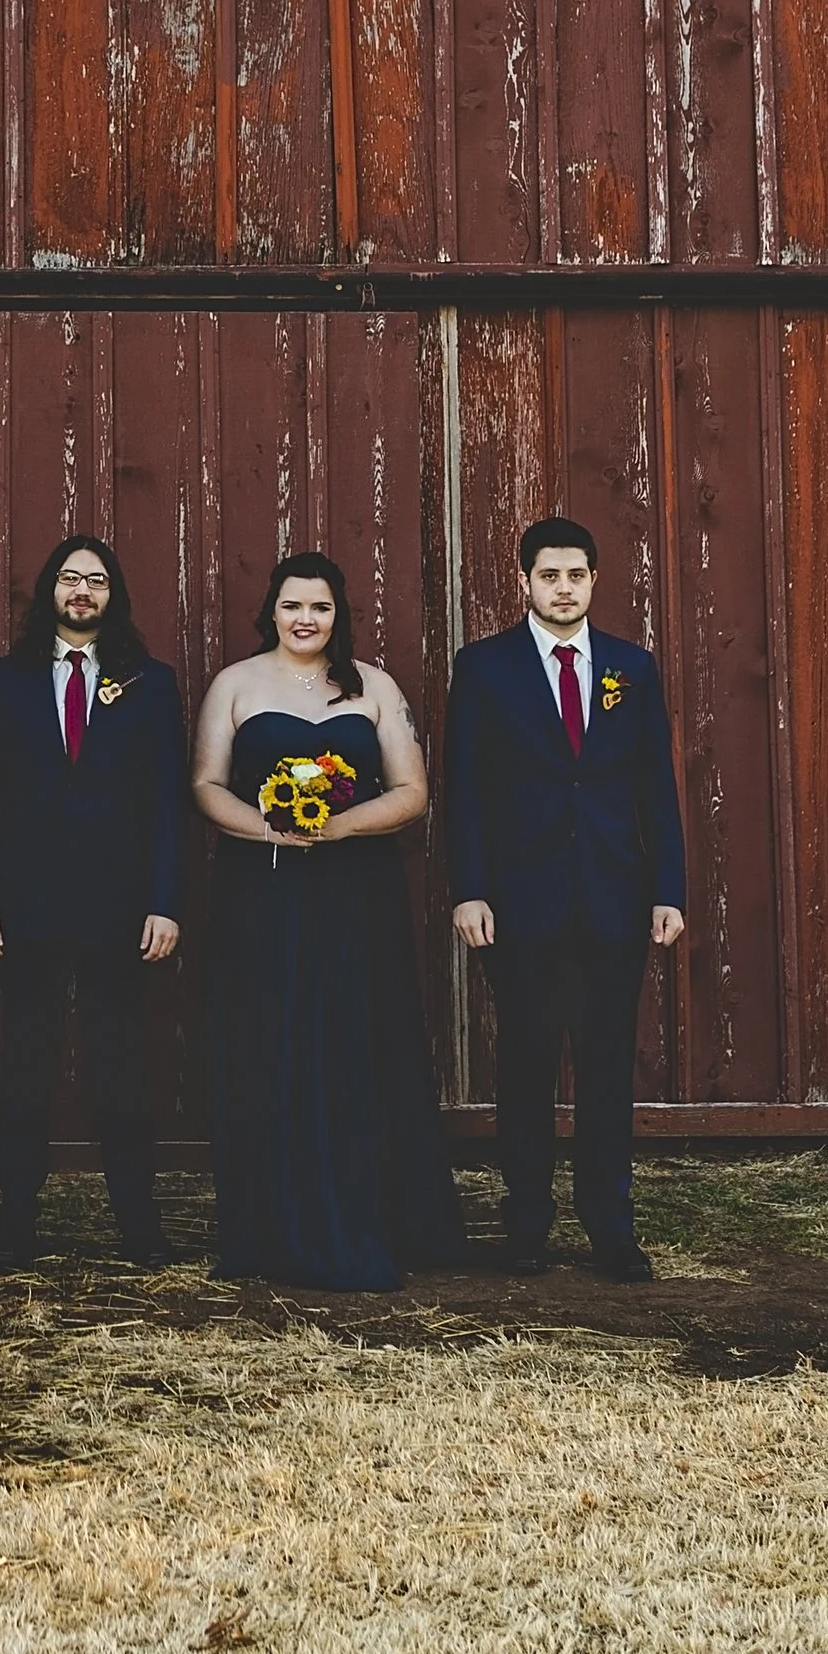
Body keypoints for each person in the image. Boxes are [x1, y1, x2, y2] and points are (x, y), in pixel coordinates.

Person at [192, 552, 464, 1290]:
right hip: (263, 891)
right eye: (291, 606)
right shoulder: (236, 686)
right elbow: (206, 786)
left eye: (319, 607)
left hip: (355, 894)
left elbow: (411, 792)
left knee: (353, 1041)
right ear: (270, 612)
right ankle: (271, 1226)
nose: (304, 619)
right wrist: (270, 828)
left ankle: (366, 1215)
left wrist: (339, 828)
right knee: (272, 1041)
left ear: (337, 615)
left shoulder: (373, 686)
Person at [445, 513, 686, 1281]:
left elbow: (656, 791)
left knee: (609, 1068)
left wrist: (668, 890)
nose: (562, 587)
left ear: (594, 581)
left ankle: (610, 1225)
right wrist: (470, 890)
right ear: (524, 582)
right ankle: (526, 1225)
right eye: (547, 575)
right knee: (526, 1064)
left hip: (614, 902)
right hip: (520, 906)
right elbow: (466, 791)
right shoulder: (485, 668)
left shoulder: (630, 667)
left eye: (575, 574)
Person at [0, 534, 184, 1271]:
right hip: (25, 905)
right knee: (24, 1061)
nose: (81, 591)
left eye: (95, 580)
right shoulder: (7, 680)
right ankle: (15, 1219)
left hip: (120, 909)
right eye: (69, 579)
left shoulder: (150, 683)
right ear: (49, 592)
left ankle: (138, 1222)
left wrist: (164, 901)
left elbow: (166, 803)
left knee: (120, 1060)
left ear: (113, 594)